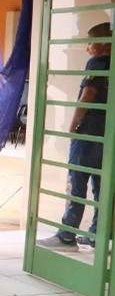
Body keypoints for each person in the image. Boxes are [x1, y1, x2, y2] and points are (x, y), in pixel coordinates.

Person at [40, 21, 111, 248]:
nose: (87, 47)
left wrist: (73, 125)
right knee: (102, 186)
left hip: (88, 132)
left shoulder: (96, 63)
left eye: (90, 42)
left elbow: (87, 96)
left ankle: (67, 234)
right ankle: (97, 234)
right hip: (107, 135)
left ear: (103, 43)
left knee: (77, 183)